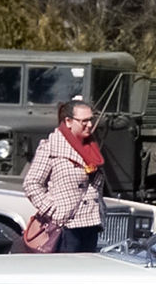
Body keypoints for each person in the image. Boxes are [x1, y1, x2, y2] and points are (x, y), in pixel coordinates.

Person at [20, 100, 108, 252]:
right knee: (65, 273)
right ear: (68, 121)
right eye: (84, 121)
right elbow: (31, 183)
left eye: (91, 120)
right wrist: (53, 210)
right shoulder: (51, 147)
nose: (89, 125)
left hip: (90, 225)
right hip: (65, 226)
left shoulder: (93, 148)